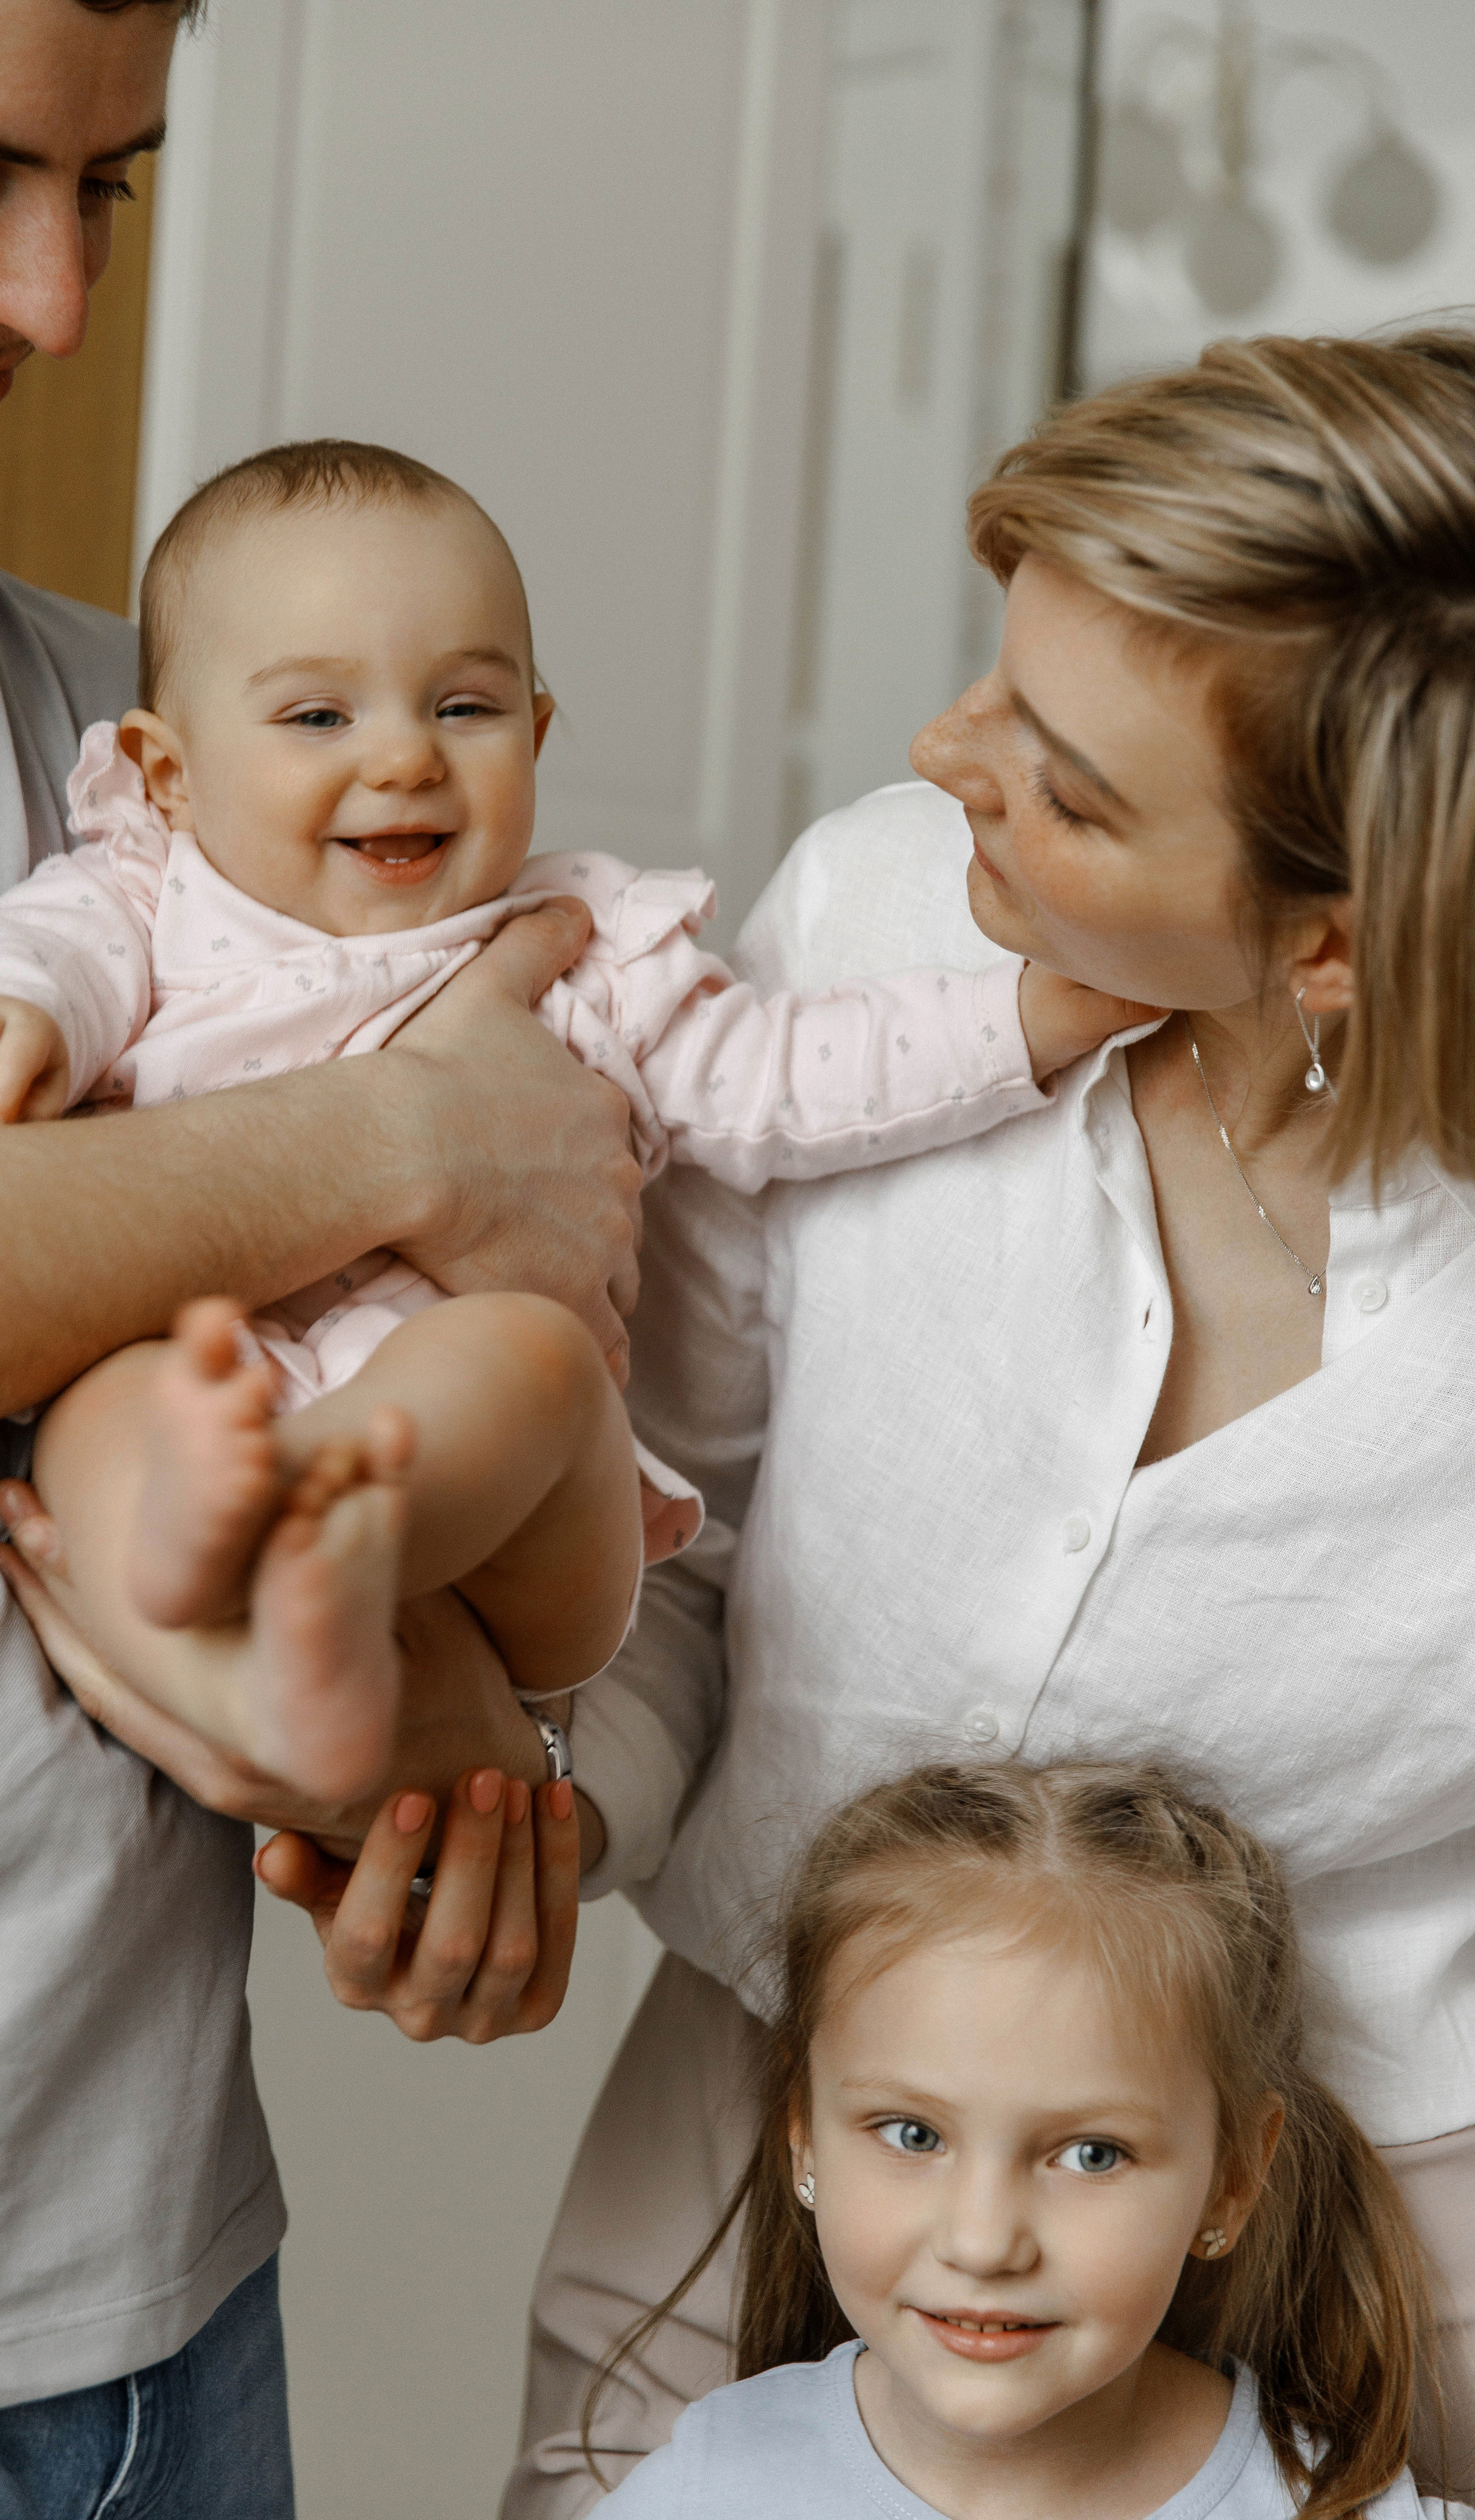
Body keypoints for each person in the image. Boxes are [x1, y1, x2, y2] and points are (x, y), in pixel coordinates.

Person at [499, 329, 1475, 2516]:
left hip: (1398, 2200)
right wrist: (555, 1811)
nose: (947, 759)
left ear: (1330, 944)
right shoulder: (860, 938)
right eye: (993, 681)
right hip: (798, 2095)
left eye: (1072, 779)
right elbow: (683, 1554)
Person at [0, 0, 642, 2505]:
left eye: (113, 191)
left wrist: (458, 1741)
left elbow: (547, 1269)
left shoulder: (122, 723)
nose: (54, 303)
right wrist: (400, 1134)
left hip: (161, 2281)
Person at [0, 437, 1136, 1797]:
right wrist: (1, 1020)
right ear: (169, 775)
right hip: (217, 1379)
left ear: (535, 733)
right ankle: (270, 1664)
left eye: (464, 708)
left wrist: (1036, 1021)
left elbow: (797, 1072)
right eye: (318, 718)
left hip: (505, 1538)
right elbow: (44, 963)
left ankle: (330, 1526)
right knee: (120, 1401)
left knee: (527, 1363)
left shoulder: (589, 953)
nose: (404, 760)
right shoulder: (139, 899)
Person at [595, 1761, 1460, 2520]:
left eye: (1092, 2154)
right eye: (913, 2134)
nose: (982, 2242)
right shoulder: (709, 2494)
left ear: (1234, 2175)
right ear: (803, 2141)